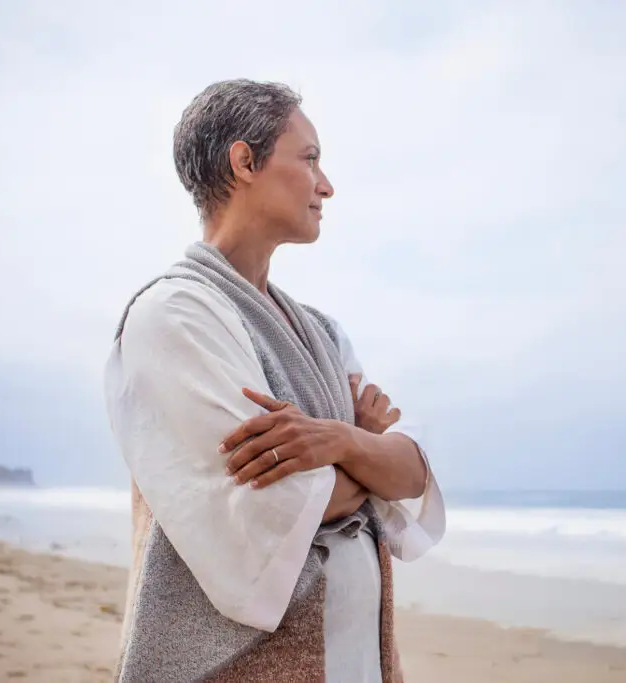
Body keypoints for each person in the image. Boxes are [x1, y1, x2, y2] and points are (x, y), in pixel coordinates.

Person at [103, 79, 445, 683]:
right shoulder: (174, 316)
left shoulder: (323, 331)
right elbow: (275, 503)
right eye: (309, 158)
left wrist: (338, 443)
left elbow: (413, 472)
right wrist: (369, 458)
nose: (327, 184)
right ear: (244, 162)